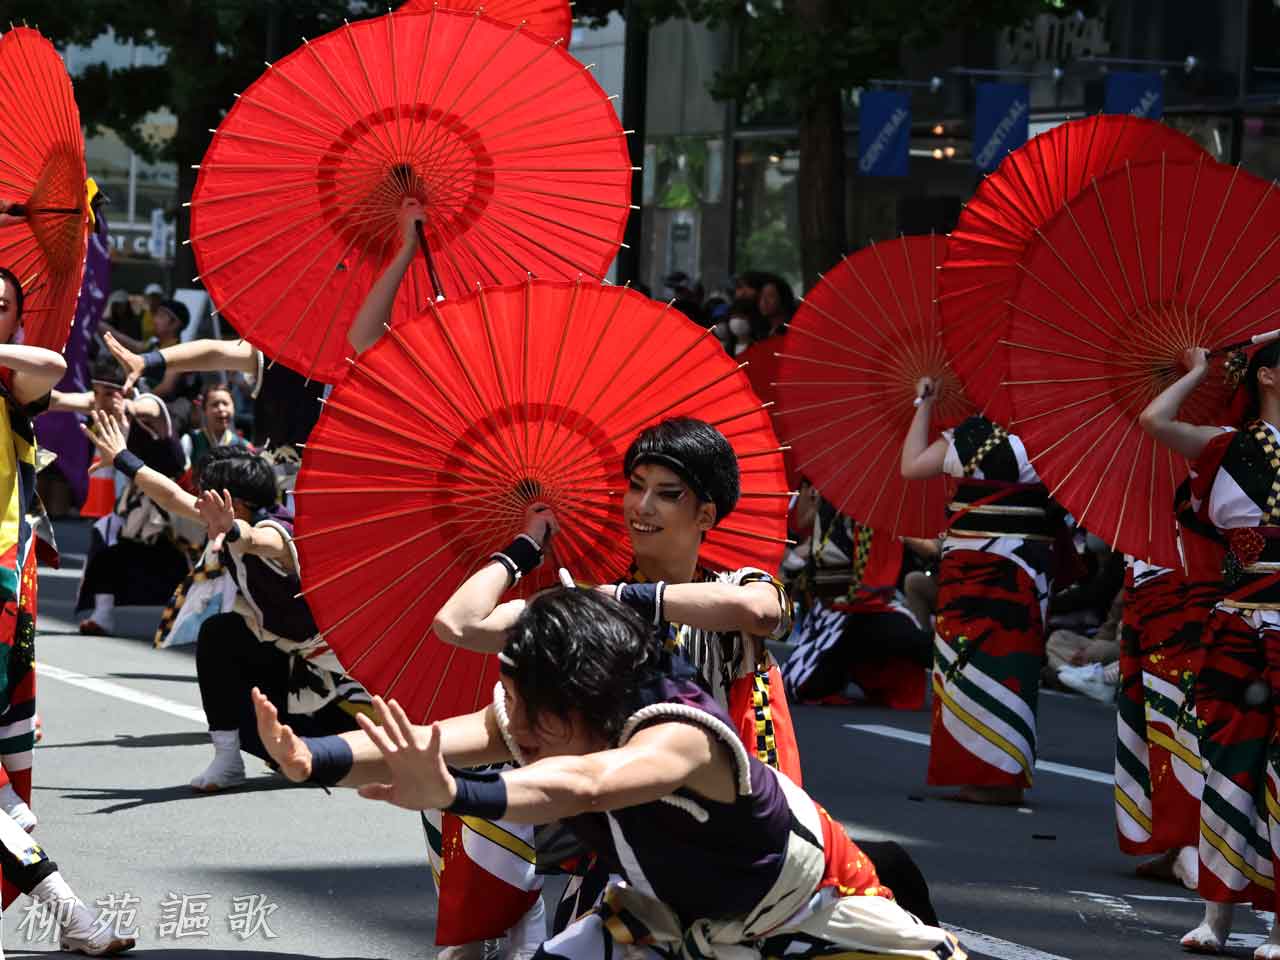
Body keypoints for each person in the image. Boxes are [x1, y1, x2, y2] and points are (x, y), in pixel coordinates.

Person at [251, 588, 965, 960]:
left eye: (528, 707)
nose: (513, 725)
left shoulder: (678, 735)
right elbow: (441, 737)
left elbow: (582, 787)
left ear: (580, 693)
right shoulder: (550, 717)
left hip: (811, 924)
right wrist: (314, 758)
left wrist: (455, 794)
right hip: (667, 925)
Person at [81, 413, 370, 792]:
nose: (197, 499)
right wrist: (122, 457)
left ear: (235, 503)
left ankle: (326, 747)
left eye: (207, 492)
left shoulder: (278, 531)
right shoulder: (224, 519)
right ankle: (227, 758)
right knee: (221, 634)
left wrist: (232, 531)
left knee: (346, 752)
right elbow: (171, 495)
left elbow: (254, 539)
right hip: (280, 657)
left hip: (331, 676)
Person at [0, 268, 132, 954]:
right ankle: (71, 913)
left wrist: (94, 399)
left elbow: (49, 368)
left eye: (0, 308)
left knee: (10, 775)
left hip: (5, 601)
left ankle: (70, 917)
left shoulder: (10, 387)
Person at [1139, 342, 1280, 958]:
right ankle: (1215, 917)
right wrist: (1197, 371)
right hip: (1237, 621)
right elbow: (1154, 422)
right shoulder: (1225, 444)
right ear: (1269, 375)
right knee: (1227, 764)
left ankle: (1279, 925)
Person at [901, 380, 1055, 806]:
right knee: (1014, 667)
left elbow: (911, 466)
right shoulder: (1052, 434)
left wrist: (926, 405)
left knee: (965, 666)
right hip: (1021, 565)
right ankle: (1005, 775)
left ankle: (990, 775)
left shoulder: (968, 437)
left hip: (975, 564)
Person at [60, 352, 188, 635]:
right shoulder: (104, 412)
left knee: (197, 564)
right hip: (141, 504)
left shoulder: (149, 405)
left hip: (180, 502)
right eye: (96, 392)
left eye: (107, 392)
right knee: (105, 533)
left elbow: (145, 408)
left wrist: (124, 405)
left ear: (124, 390)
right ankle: (103, 614)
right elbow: (63, 400)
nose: (99, 398)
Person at [182, 381, 248, 472]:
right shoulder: (191, 441)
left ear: (233, 407)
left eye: (225, 403)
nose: (221, 409)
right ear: (204, 410)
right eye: (215, 404)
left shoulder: (243, 445)